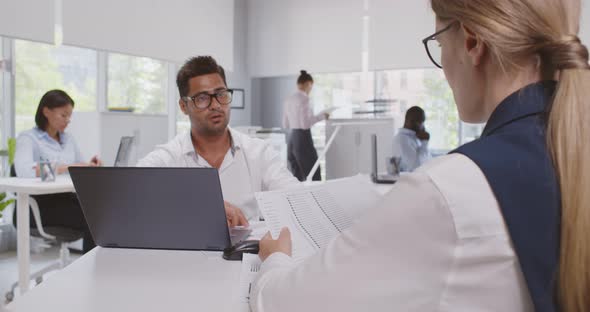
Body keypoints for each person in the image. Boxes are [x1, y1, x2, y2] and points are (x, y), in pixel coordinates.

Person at [251, 0, 589, 311]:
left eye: (439, 44)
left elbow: (284, 303)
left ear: (472, 42)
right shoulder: (569, 150)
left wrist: (275, 258)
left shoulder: (450, 191)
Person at [137, 56, 299, 225]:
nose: (215, 105)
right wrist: (205, 207)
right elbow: (132, 191)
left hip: (247, 250)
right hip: (190, 250)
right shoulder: (170, 156)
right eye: (202, 98)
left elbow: (296, 198)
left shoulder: (259, 153)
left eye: (221, 94)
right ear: (184, 106)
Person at [14, 89, 102, 253]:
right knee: (94, 218)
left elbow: (78, 164)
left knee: (102, 210)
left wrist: (89, 165)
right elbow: (24, 170)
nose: (68, 120)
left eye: (69, 116)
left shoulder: (68, 139)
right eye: (63, 115)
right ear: (46, 111)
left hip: (67, 199)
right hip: (40, 206)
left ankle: (100, 267)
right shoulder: (28, 138)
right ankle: (93, 270)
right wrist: (65, 167)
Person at [282, 70, 329, 181]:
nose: (310, 89)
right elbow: (305, 124)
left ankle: (298, 197)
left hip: (292, 138)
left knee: (296, 173)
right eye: (311, 86)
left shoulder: (288, 99)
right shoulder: (304, 99)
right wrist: (322, 116)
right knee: (313, 170)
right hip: (303, 137)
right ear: (308, 84)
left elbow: (285, 124)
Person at [392, 106, 431, 171]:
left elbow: (427, 159)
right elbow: (416, 167)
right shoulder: (402, 140)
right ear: (410, 121)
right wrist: (425, 142)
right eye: (421, 122)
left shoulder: (415, 138)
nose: (423, 126)